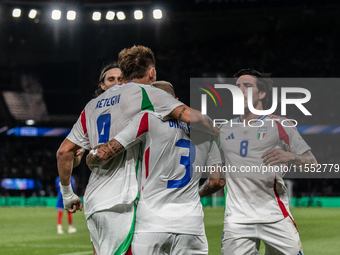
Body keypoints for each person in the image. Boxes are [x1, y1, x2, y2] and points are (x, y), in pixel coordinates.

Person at [56, 45, 218, 255]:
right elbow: (195, 118)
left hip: (94, 200)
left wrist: (68, 194)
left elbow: (65, 152)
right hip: (122, 200)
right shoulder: (147, 93)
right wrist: (216, 130)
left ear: (123, 74)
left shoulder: (91, 106)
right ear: (152, 73)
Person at [86, 81, 225, 255]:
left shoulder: (147, 118)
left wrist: (90, 157)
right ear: (176, 100)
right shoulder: (206, 128)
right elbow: (218, 181)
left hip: (151, 224)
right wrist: (194, 195)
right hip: (191, 224)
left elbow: (103, 154)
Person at [218, 68, 317, 255]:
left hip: (275, 216)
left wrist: (291, 156)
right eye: (237, 87)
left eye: (247, 86)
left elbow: (312, 162)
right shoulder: (223, 129)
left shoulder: (280, 124)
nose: (240, 91)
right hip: (237, 220)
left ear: (262, 93)